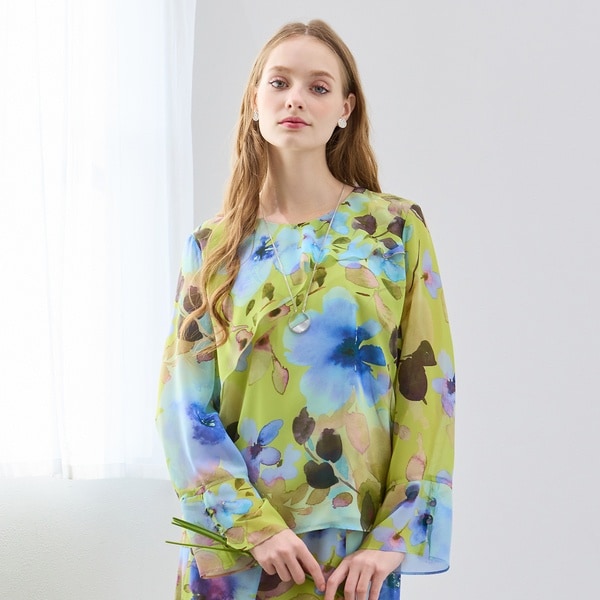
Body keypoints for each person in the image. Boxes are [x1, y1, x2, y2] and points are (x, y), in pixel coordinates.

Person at [157, 19, 455, 600]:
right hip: (236, 547)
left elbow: (430, 394)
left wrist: (393, 536)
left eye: (318, 87)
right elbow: (182, 404)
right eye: (279, 82)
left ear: (345, 109)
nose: (295, 98)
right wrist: (252, 526)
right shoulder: (211, 247)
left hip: (352, 550)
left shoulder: (393, 230)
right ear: (254, 100)